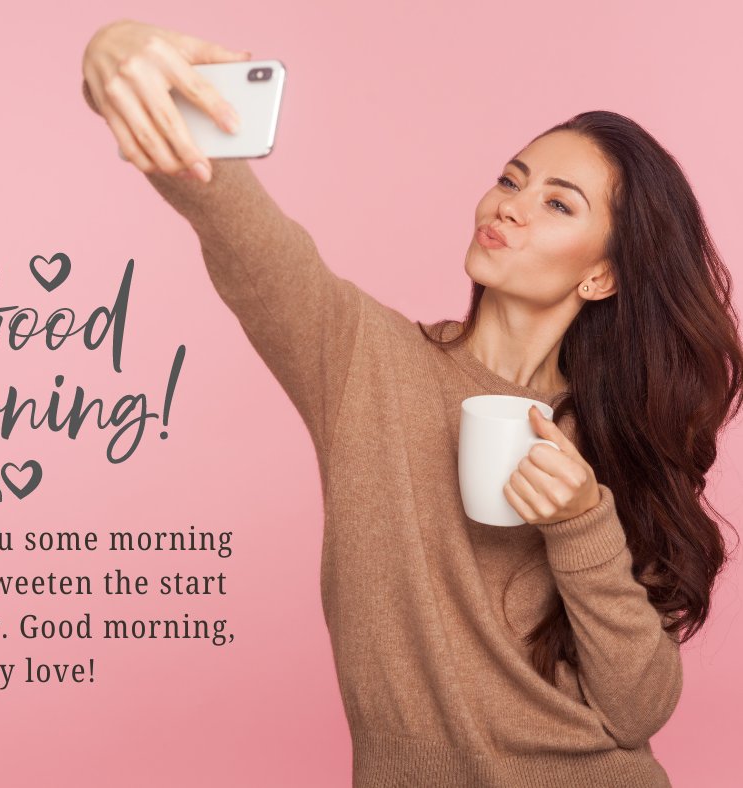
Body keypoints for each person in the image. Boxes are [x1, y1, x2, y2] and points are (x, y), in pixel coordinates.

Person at [80, 19, 743, 787]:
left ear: (601, 277)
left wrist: (580, 522)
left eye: (559, 205)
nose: (511, 206)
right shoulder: (365, 358)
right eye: (511, 178)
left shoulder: (618, 439)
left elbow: (638, 709)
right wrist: (116, 56)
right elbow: (241, 230)